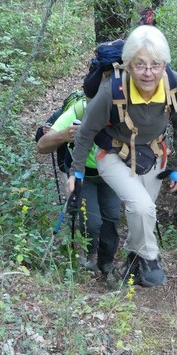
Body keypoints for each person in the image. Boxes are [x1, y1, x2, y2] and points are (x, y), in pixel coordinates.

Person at [67, 25, 177, 288]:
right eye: (140, 65)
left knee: (142, 212)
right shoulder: (112, 90)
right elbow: (86, 131)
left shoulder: (174, 84)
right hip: (112, 154)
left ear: (164, 65)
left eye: (155, 65)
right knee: (142, 207)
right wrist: (76, 171)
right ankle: (151, 259)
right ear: (128, 65)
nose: (148, 72)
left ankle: (133, 264)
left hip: (153, 154)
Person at [37, 95, 121, 275]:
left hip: (112, 174)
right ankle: (89, 257)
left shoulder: (121, 106)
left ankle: (106, 263)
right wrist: (63, 135)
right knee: (92, 222)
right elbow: (42, 146)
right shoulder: (79, 109)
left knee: (112, 219)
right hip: (83, 174)